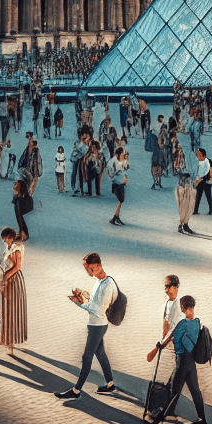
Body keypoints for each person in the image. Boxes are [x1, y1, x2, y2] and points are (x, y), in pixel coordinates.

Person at [53, 252, 118, 399]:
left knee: (87, 356)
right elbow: (95, 302)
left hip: (98, 325)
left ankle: (76, 391)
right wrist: (83, 295)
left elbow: (100, 309)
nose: (89, 272)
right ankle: (110, 384)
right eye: (87, 269)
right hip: (95, 324)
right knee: (100, 353)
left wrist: (80, 303)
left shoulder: (108, 285)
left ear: (99, 265)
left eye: (91, 269)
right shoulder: (98, 281)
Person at [144, 294, 208, 424]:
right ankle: (202, 420)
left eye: (181, 306)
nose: (180, 308)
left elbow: (173, 336)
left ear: (185, 307)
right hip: (191, 363)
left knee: (173, 391)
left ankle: (158, 420)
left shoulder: (182, 323)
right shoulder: (197, 323)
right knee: (195, 391)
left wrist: (160, 345)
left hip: (182, 362)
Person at [0, 227, 28, 356]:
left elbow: (17, 267)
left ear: (9, 238)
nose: (4, 242)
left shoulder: (16, 248)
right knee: (7, 310)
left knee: (11, 311)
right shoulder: (10, 248)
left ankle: (10, 343)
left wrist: (5, 278)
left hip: (13, 281)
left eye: (5, 240)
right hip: (9, 280)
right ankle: (5, 339)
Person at [108, 147, 128, 226]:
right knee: (121, 199)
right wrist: (113, 177)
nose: (123, 156)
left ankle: (116, 216)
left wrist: (125, 179)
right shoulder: (113, 161)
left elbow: (126, 171)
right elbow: (109, 171)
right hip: (116, 183)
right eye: (122, 155)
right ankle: (115, 217)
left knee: (122, 199)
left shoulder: (124, 161)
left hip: (121, 182)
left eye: (123, 155)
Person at [192, 148, 212, 215]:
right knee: (198, 196)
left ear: (204, 155)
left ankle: (211, 210)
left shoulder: (208, 161)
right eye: (197, 154)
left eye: (199, 154)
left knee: (208, 196)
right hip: (199, 181)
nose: (198, 155)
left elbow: (211, 171)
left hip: (206, 181)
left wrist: (211, 179)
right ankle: (195, 210)